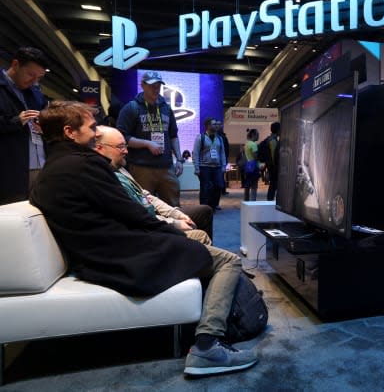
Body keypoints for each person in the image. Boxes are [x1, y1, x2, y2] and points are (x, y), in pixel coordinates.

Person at [30, 101, 257, 375]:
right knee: (228, 261)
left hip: (100, 257)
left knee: (196, 244)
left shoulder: (48, 174)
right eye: (91, 128)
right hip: (125, 258)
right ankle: (207, 346)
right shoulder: (84, 165)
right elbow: (132, 214)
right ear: (69, 132)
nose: (95, 134)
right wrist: (173, 231)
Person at [95, 125, 213, 243]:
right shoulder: (105, 177)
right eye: (120, 146)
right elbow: (139, 217)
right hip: (147, 227)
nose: (126, 150)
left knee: (204, 211)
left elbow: (145, 195)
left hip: (153, 215)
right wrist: (174, 223)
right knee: (201, 237)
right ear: (99, 148)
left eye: (125, 145)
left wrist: (176, 214)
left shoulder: (120, 166)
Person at [116, 71, 184, 207]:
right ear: (143, 85)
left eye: (158, 85)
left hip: (166, 167)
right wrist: (147, 143)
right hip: (141, 167)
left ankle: (174, 228)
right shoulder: (131, 108)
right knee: (144, 207)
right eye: (152, 85)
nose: (156, 88)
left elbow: (173, 136)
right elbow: (122, 137)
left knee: (173, 206)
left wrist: (179, 159)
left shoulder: (166, 108)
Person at [0, 47, 48, 204]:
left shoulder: (35, 93)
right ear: (15, 64)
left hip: (39, 165)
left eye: (38, 78)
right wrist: (15, 121)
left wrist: (45, 124)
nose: (34, 81)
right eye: (30, 75)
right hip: (9, 169)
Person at [193, 118, 227, 211]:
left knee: (218, 186)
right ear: (207, 126)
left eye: (216, 124)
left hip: (217, 167)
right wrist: (196, 168)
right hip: (204, 167)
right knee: (205, 188)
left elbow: (222, 153)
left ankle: (213, 206)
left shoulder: (219, 138)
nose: (216, 126)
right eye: (213, 124)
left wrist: (224, 166)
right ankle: (204, 208)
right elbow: (195, 153)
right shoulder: (200, 137)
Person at [243, 129, 261, 201]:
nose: (258, 136)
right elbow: (256, 156)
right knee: (254, 185)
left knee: (247, 185)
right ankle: (253, 200)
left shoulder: (247, 144)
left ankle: (246, 200)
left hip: (248, 166)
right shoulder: (253, 144)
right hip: (254, 166)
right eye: (257, 134)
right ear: (254, 135)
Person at [266, 122, 280, 201]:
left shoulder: (271, 139)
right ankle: (270, 201)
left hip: (271, 166)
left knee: (273, 185)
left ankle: (270, 200)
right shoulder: (273, 141)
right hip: (274, 167)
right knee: (273, 185)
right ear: (278, 130)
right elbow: (274, 155)